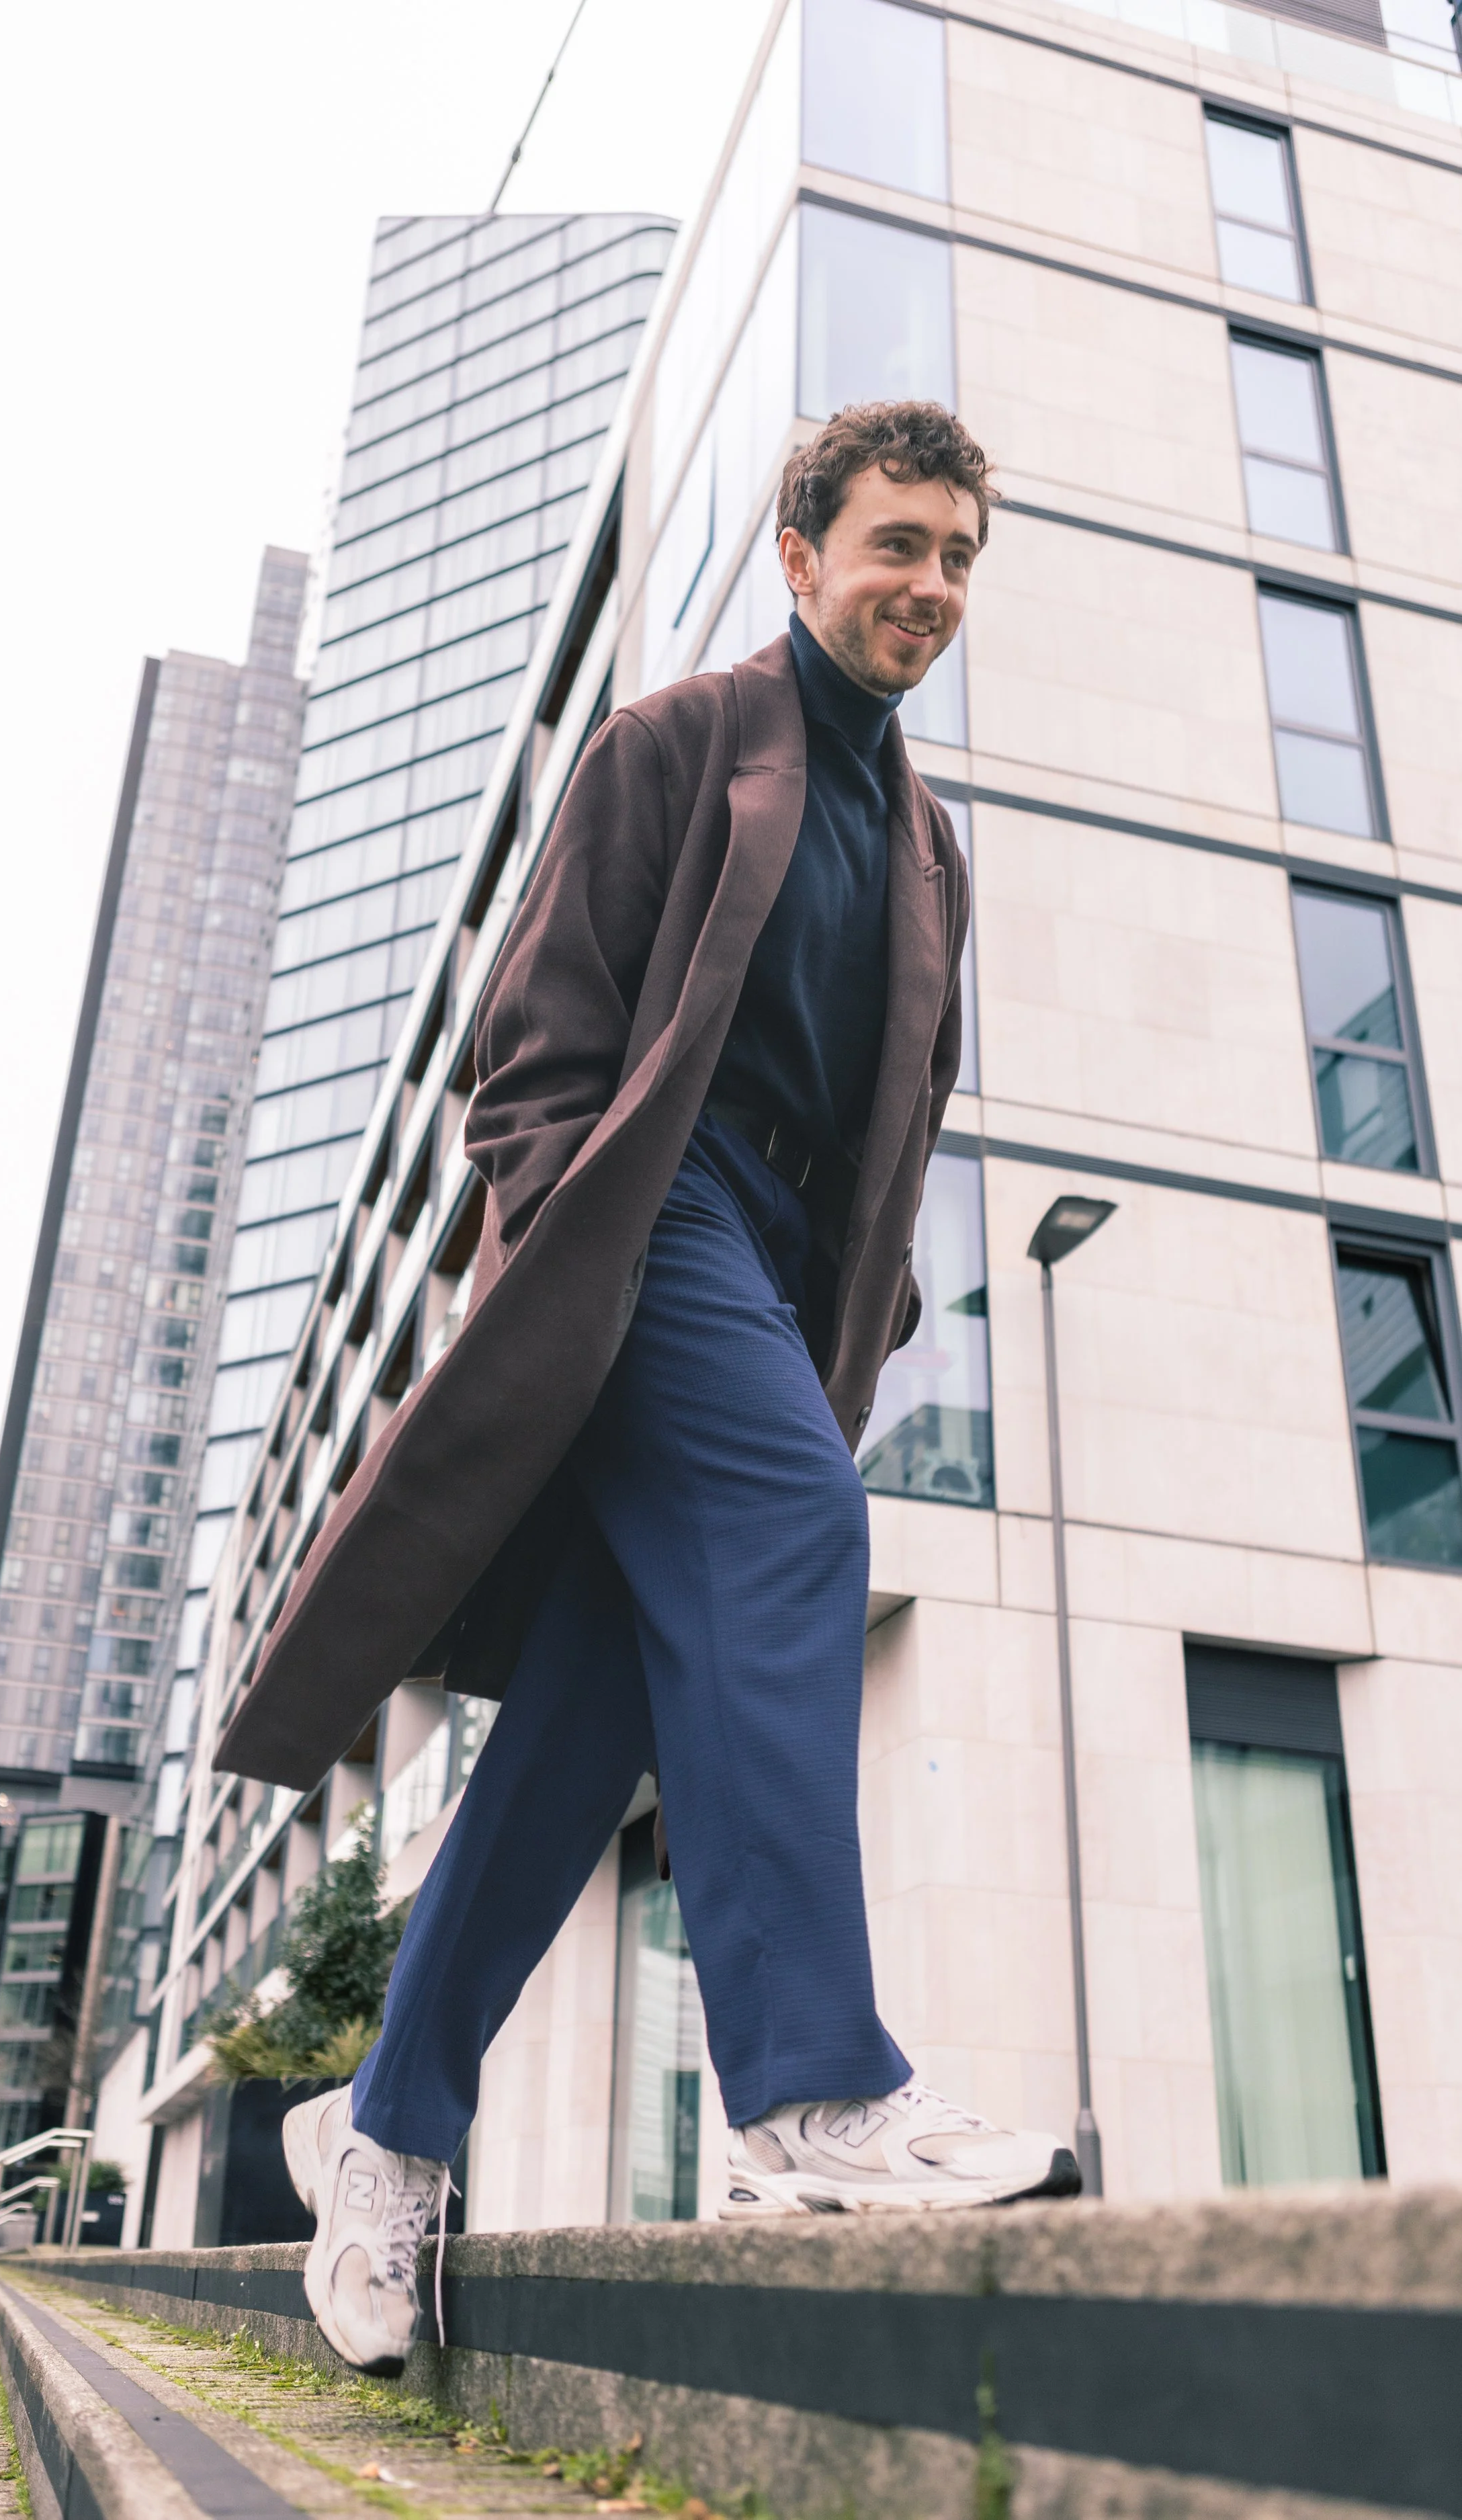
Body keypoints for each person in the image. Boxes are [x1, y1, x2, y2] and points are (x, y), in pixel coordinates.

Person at [249, 401, 1080, 2377]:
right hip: (645, 1214)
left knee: (579, 1732)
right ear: (799, 557)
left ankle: (380, 2122)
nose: (930, 587)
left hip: (781, 1280)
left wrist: (831, 1353)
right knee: (798, 1525)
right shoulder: (679, 746)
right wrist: (569, 1259)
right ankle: (808, 2092)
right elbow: (533, 1046)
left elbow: (882, 1137)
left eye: (959, 557)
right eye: (896, 544)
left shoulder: (930, 847)